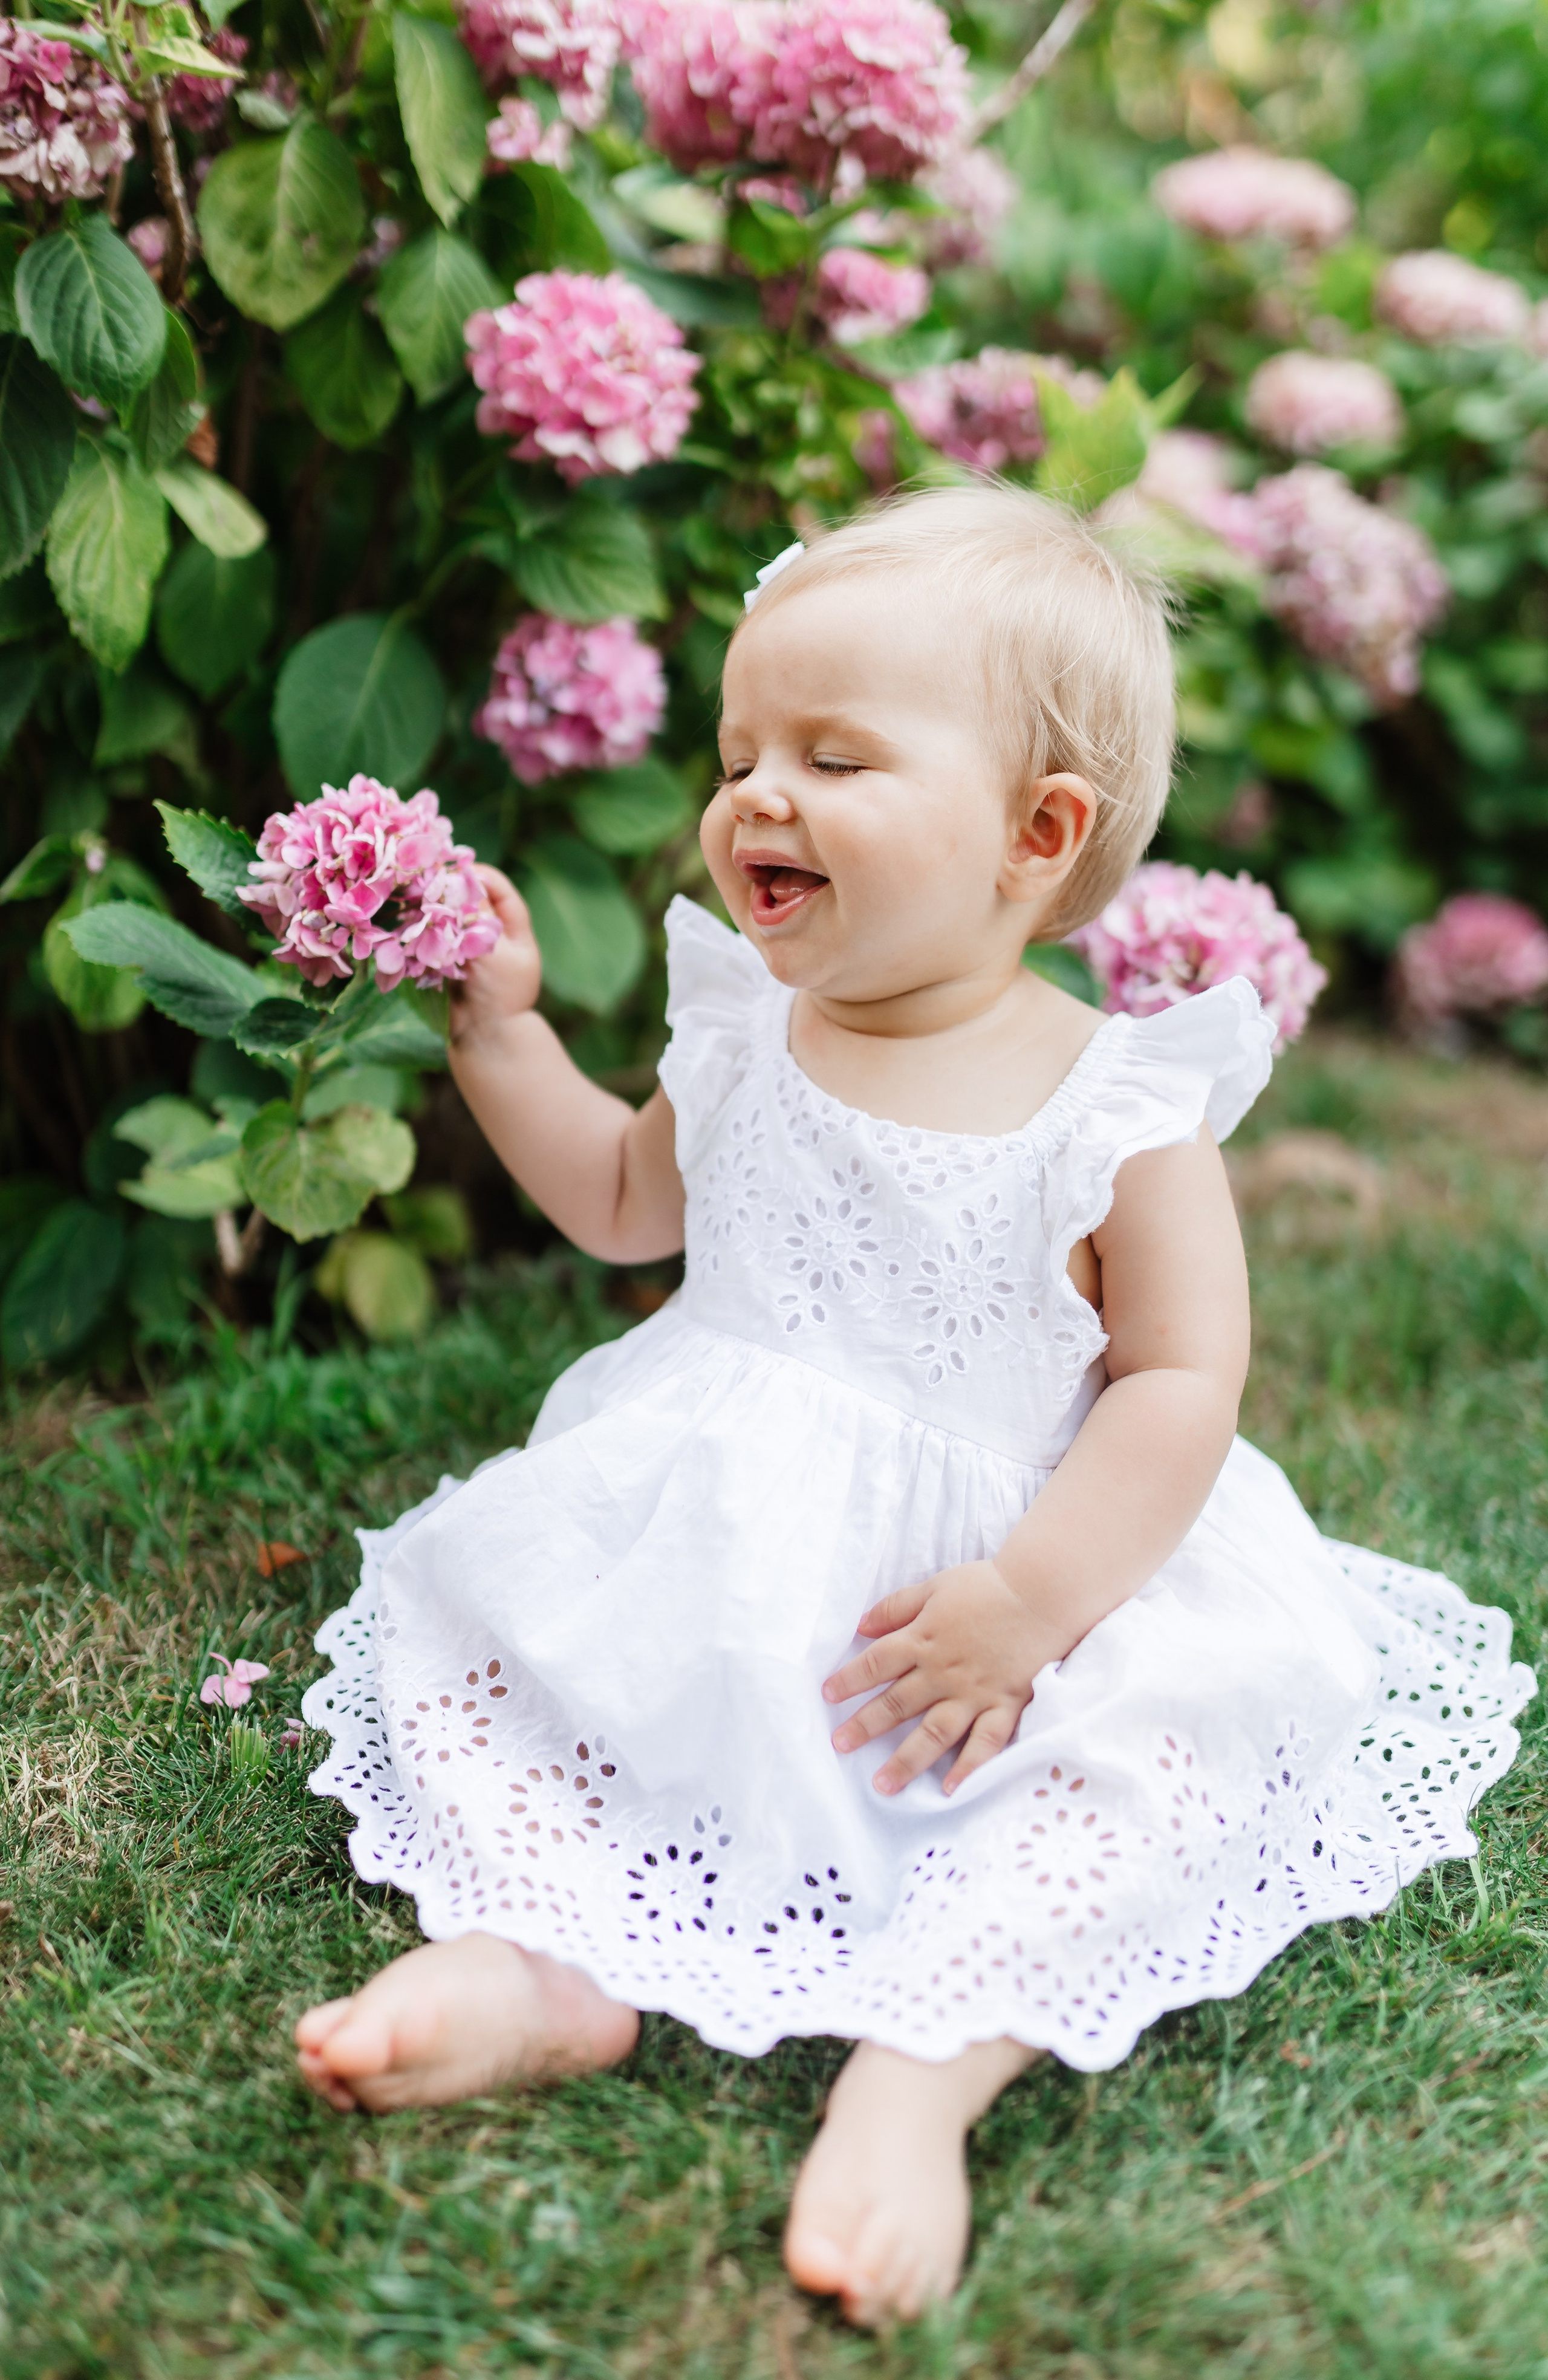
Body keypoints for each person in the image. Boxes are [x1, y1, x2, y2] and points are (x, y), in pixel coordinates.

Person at [294, 485, 1533, 2329]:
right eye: (739, 754)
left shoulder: (1119, 1112)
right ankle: (546, 1960)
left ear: (1038, 836)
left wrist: (1031, 1607)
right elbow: (631, 1207)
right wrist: (501, 1034)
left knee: (1131, 1781)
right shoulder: (742, 1031)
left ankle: (924, 2074)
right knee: (578, 1694)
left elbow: (1183, 1385)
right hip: (729, 1545)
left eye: (834, 756)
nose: (752, 799)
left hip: (1009, 1588)